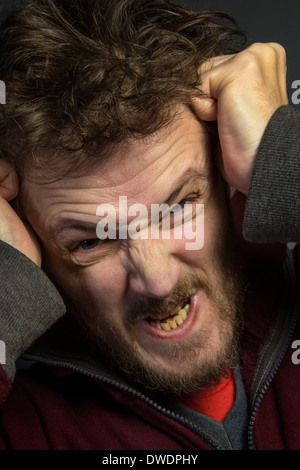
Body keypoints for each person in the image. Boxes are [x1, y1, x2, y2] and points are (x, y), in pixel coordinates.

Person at [0, 0, 299, 450]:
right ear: (34, 244)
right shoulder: (27, 424)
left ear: (227, 175)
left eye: (179, 207)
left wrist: (284, 161)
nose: (158, 282)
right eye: (91, 241)